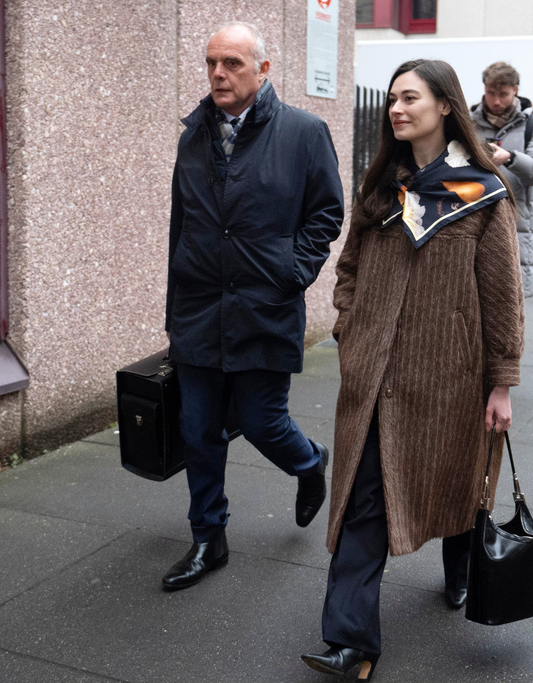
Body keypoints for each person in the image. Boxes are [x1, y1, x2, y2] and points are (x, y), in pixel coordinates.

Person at [300, 59, 525, 680]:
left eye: (410, 98)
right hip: (373, 378)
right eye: (393, 99)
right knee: (362, 497)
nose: (397, 109)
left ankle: (460, 571)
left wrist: (501, 382)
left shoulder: (482, 193)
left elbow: (503, 298)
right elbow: (347, 270)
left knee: (455, 486)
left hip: (451, 377)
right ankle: (352, 641)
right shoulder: (380, 189)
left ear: (446, 106)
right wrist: (350, 328)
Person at [162, 21, 344, 591]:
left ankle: (309, 462)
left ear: (263, 70)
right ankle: (207, 538)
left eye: (232, 63)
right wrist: (176, 301)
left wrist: (292, 272)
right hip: (199, 308)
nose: (218, 73)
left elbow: (326, 214)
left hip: (265, 303)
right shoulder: (194, 135)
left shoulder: (304, 133)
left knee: (263, 422)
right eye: (211, 62)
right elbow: (181, 224)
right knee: (198, 430)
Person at [470, 61, 533, 298]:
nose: (496, 101)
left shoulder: (532, 126)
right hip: (471, 218)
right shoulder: (467, 121)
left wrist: (510, 158)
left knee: (509, 304)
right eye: (491, 93)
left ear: (515, 90)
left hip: (515, 225)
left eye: (503, 94)